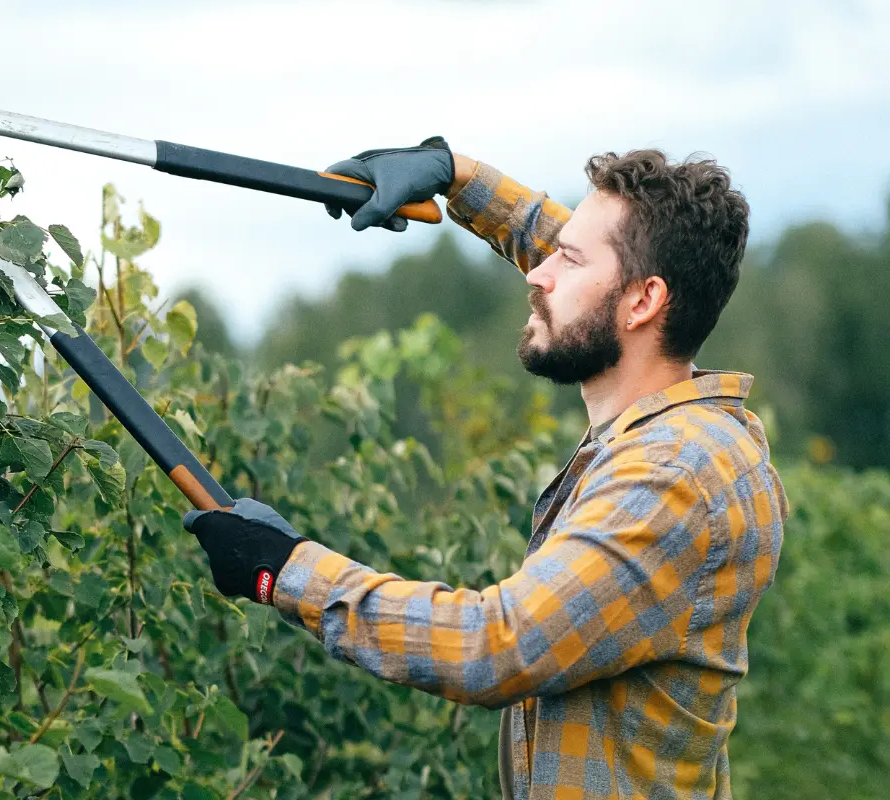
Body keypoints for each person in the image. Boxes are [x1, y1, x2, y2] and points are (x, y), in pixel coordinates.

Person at [183, 139, 787, 800]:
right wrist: (454, 176)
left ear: (643, 303)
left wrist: (288, 569)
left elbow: (497, 646)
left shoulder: (672, 479)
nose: (538, 272)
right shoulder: (682, 419)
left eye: (569, 258)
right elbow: (582, 265)